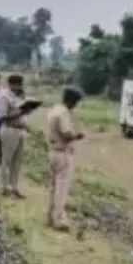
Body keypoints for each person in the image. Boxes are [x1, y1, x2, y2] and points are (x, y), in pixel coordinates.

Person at [47, 86, 85, 232]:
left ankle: (50, 216)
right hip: (63, 152)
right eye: (76, 102)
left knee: (53, 186)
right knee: (61, 188)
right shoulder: (63, 113)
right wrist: (78, 136)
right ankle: (58, 219)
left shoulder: (54, 109)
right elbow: (66, 134)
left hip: (52, 151)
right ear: (72, 101)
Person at [0, 74, 28, 198]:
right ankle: (5, 188)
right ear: (12, 85)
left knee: (18, 161)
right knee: (7, 160)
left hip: (21, 130)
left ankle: (14, 187)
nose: (19, 87)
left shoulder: (21, 97)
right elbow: (3, 116)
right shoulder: (5, 97)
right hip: (10, 129)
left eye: (20, 84)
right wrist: (19, 112)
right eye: (17, 84)